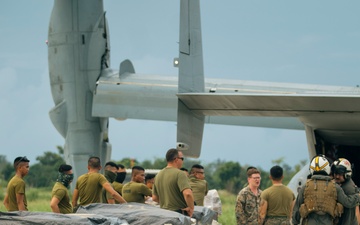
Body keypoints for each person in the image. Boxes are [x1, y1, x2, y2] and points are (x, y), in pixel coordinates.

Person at [292, 155, 360, 225]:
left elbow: (297, 208)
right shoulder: (335, 187)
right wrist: (358, 196)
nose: (336, 176)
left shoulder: (305, 186)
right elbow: (347, 202)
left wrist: (295, 222)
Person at [152, 148, 194, 217]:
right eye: (182, 159)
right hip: (178, 215)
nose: (183, 161)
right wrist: (191, 208)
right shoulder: (180, 174)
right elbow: (188, 194)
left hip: (164, 214)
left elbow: (154, 198)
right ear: (176, 159)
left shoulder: (158, 175)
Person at [332, 158, 359, 225]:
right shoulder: (342, 184)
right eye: (335, 173)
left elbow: (348, 216)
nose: (337, 176)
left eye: (340, 174)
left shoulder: (348, 189)